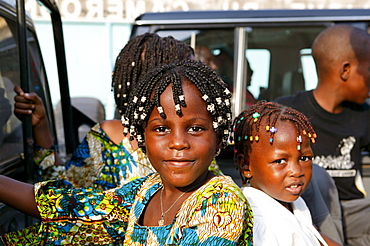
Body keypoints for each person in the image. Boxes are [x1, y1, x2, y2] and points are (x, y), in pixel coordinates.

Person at [0, 60, 253, 245]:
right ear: (141, 137)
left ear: (219, 136)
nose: (178, 143)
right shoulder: (146, 191)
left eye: (196, 129)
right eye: (161, 129)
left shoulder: (220, 201)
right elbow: (70, 205)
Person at [13, 33, 196, 190]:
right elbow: (62, 189)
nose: (198, 82)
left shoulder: (195, 134)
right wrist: (41, 125)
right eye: (186, 74)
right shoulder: (111, 136)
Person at [275, 24, 370, 245]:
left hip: (349, 211)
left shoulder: (363, 115)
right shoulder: (286, 113)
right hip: (303, 209)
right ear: (345, 70)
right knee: (316, 176)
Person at [233, 100, 341, 246]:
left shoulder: (292, 202)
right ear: (246, 166)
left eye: (304, 158)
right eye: (279, 161)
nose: (297, 171)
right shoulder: (261, 224)